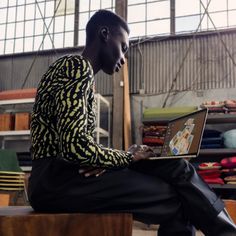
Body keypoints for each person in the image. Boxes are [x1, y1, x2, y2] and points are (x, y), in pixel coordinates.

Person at [28, 10, 236, 236]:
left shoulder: (78, 72)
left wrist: (106, 158)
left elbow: (78, 147)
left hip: (66, 175)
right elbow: (75, 147)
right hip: (56, 181)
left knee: (176, 168)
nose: (124, 58)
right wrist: (126, 157)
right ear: (105, 34)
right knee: (179, 197)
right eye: (124, 47)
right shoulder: (77, 67)